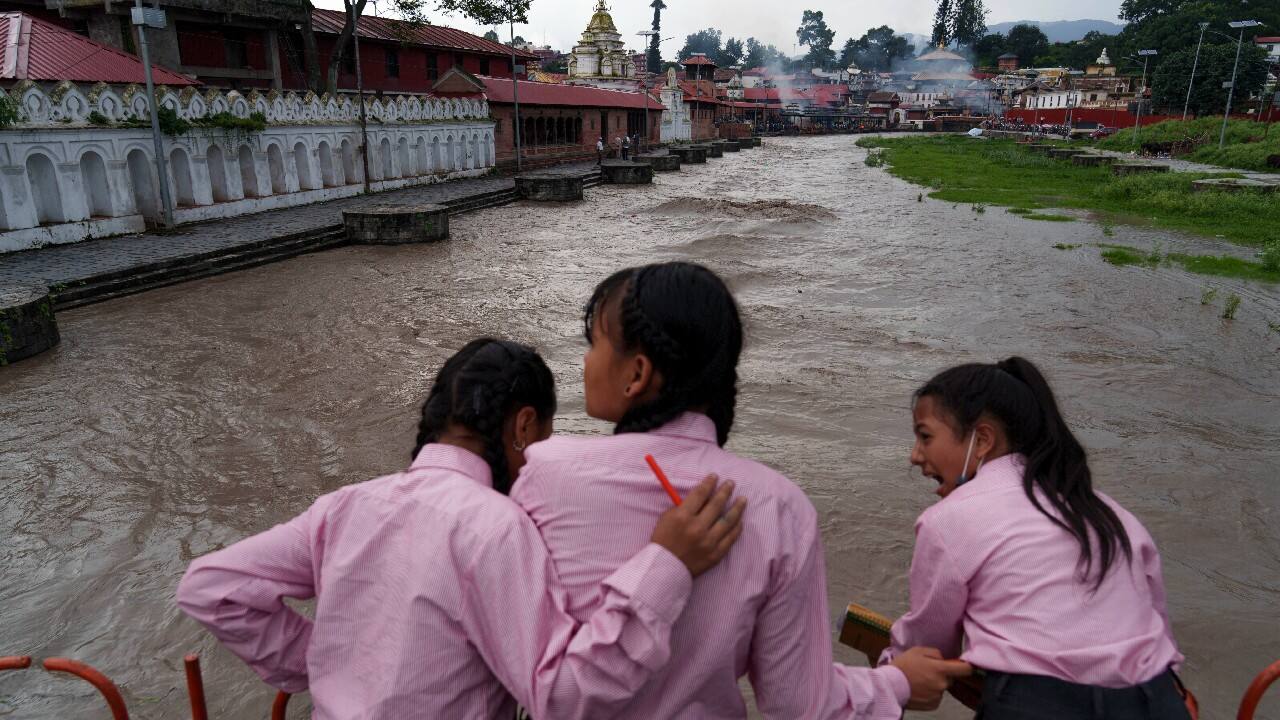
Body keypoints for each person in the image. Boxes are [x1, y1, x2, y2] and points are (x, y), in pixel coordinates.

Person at [177, 337, 746, 720]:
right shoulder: (497, 528)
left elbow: (212, 587)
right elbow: (563, 695)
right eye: (544, 440)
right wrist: (665, 564)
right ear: (523, 426)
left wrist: (326, 660)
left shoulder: (345, 506)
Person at [511, 262, 971, 719]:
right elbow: (802, 706)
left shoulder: (545, 475)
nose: (586, 361)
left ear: (637, 373)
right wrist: (895, 681)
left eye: (594, 344)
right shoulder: (778, 507)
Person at [884, 357, 1188, 719]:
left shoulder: (949, 519)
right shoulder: (1110, 514)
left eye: (925, 436)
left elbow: (929, 647)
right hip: (1158, 702)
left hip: (1037, 706)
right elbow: (1161, 634)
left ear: (981, 440)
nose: (915, 456)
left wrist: (887, 674)